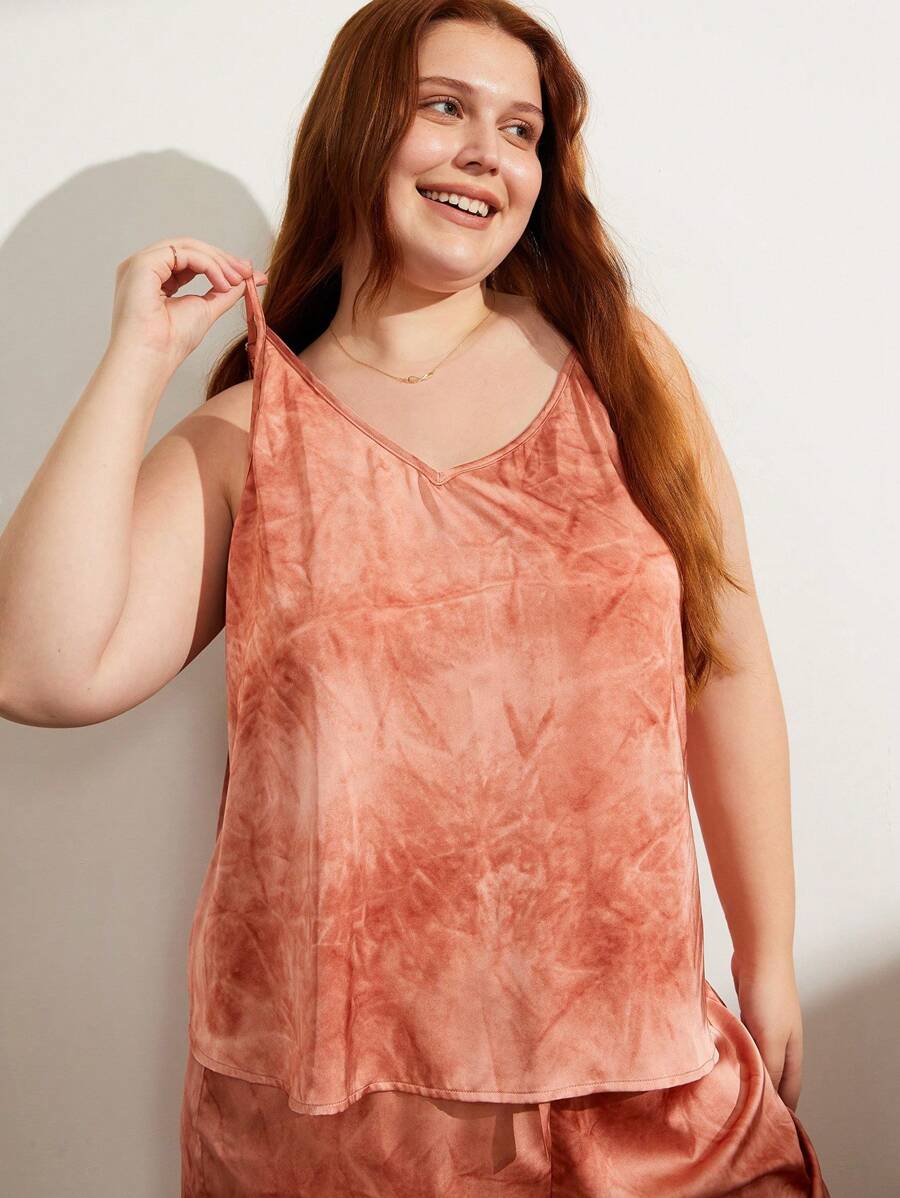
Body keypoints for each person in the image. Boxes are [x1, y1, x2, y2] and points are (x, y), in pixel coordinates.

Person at [0, 1, 832, 1194]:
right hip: (347, 1135)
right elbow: (38, 668)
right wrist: (136, 361)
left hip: (644, 1089)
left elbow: (727, 663)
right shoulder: (254, 434)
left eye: (522, 129)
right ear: (358, 126)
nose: (489, 153)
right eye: (446, 107)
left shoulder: (619, 367)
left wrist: (769, 953)